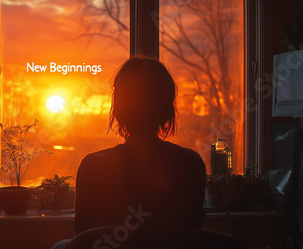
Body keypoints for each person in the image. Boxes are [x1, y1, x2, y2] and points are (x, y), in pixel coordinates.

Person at [52, 56, 206, 249]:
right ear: (168, 109)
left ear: (119, 109)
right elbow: (194, 227)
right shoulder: (190, 163)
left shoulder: (93, 166)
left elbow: (83, 233)